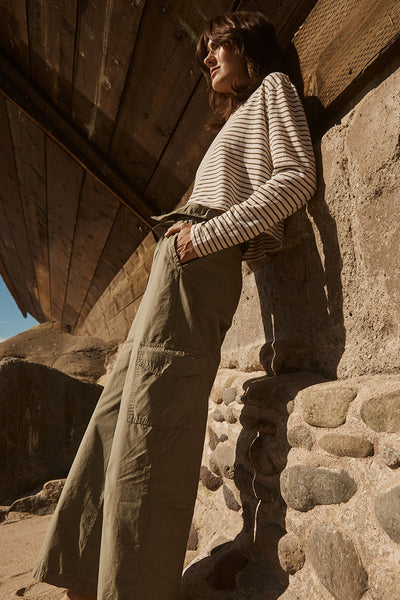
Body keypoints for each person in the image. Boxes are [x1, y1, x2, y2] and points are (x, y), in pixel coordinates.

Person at [32, 11, 316, 600]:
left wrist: (204, 239)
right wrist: (185, 243)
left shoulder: (273, 88)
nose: (207, 58)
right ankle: (86, 572)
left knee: (153, 420)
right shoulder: (238, 114)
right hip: (180, 259)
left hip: (199, 260)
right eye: (204, 51)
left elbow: (295, 179)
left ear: (247, 44)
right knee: (118, 411)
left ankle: (130, 589)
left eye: (217, 46)